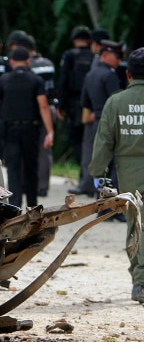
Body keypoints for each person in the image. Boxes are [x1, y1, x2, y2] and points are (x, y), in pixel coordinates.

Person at [88, 47, 144, 303]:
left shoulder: (116, 102)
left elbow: (104, 143)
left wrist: (97, 173)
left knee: (137, 224)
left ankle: (140, 284)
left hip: (131, 171)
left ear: (128, 74)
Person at [0, 46, 54, 208]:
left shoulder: (3, 80)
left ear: (11, 62)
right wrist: (50, 131)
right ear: (27, 61)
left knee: (13, 169)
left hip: (10, 130)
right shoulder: (35, 80)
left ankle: (15, 206)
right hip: (30, 130)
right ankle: (32, 206)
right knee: (31, 168)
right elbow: (44, 107)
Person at [72, 40, 124, 198]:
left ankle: (101, 200)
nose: (119, 61)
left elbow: (84, 102)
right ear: (106, 55)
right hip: (111, 123)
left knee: (101, 163)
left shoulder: (90, 74)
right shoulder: (109, 75)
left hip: (96, 122)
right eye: (117, 56)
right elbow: (117, 101)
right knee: (115, 164)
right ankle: (112, 204)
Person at [14, 34, 57, 197]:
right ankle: (43, 186)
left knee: (30, 147)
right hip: (50, 108)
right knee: (45, 148)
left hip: (34, 110)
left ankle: (28, 183)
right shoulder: (48, 63)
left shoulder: (28, 65)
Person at [58, 26, 93, 174]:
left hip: (74, 103)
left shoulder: (69, 55)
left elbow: (63, 79)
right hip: (91, 104)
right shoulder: (94, 56)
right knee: (90, 138)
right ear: (89, 41)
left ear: (74, 40)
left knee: (77, 139)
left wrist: (61, 105)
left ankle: (83, 173)